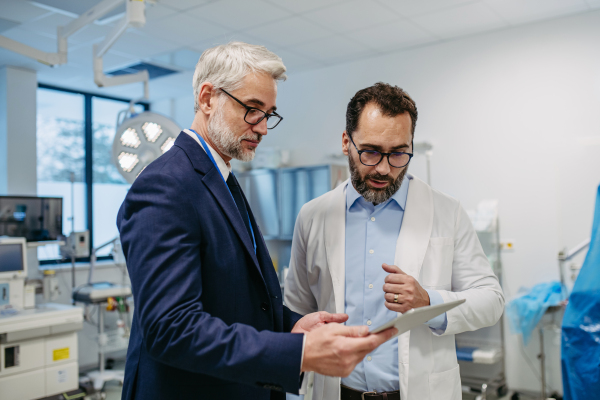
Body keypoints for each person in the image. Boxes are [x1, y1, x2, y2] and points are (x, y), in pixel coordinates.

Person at [116, 43, 396, 400]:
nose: (263, 128)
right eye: (252, 110)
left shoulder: (221, 179)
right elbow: (171, 329)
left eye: (269, 114)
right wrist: (299, 353)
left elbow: (233, 298)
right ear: (207, 99)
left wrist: (293, 325)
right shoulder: (167, 185)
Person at [284, 82, 505, 400]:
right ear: (347, 142)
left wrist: (428, 301)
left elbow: (492, 301)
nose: (384, 168)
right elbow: (295, 311)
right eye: (371, 151)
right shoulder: (313, 216)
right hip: (336, 391)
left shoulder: (447, 211)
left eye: (399, 153)